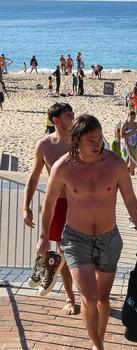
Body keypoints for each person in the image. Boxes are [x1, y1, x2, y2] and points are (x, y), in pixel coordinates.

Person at [37, 114, 137, 350]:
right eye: (91, 140)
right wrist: (43, 237)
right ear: (77, 140)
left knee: (103, 299)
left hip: (109, 239)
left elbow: (130, 201)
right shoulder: (63, 168)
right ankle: (98, 346)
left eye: (100, 138)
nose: (98, 143)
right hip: (76, 239)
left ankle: (97, 341)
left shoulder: (115, 164)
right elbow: (48, 204)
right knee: (88, 298)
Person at [23, 104, 77, 313]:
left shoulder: (80, 141)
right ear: (56, 120)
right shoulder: (45, 146)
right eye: (68, 115)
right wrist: (25, 207)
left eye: (73, 113)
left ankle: (89, 291)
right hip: (57, 204)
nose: (73, 117)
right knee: (63, 251)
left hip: (80, 203)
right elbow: (34, 177)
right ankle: (70, 298)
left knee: (82, 250)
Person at [120, 111, 137, 175]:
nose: (133, 119)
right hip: (125, 144)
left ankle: (131, 174)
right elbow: (122, 136)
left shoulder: (136, 125)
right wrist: (131, 133)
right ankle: (124, 174)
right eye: (131, 117)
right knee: (125, 161)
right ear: (128, 116)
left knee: (133, 161)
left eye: (134, 117)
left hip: (133, 143)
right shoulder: (124, 124)